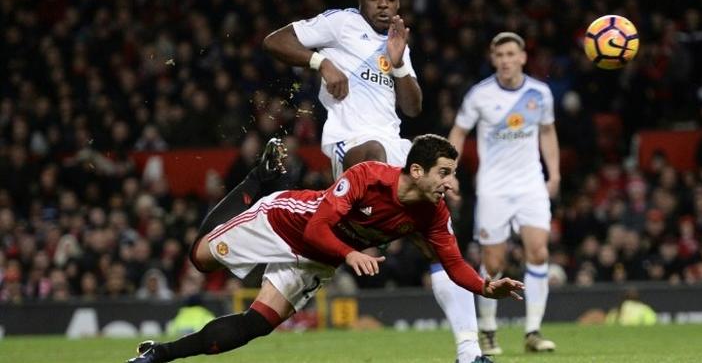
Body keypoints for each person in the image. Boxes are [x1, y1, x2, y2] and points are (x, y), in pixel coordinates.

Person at [126, 134, 524, 363]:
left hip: (319, 259)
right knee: (199, 259)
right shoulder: (367, 176)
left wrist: (485, 287)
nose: (450, 183)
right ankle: (255, 180)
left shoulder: (432, 213)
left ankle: (160, 355)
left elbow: (453, 264)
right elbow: (318, 228)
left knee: (257, 324)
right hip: (285, 222)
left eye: (452, 174)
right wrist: (350, 254)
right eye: (444, 173)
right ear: (416, 171)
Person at [263, 0, 486, 363]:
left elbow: (413, 106)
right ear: (360, 0)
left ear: (400, 1)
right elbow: (274, 40)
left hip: (394, 141)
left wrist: (399, 62)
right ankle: (373, 226)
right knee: (375, 158)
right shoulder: (340, 24)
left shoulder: (398, 41)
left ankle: (469, 352)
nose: (383, 4)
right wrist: (321, 63)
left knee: (439, 240)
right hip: (349, 143)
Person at [448, 32, 560, 354]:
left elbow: (548, 132)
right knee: (493, 262)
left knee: (538, 252)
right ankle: (487, 330)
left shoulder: (540, 93)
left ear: (523, 57)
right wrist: (449, 171)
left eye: (511, 54)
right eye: (500, 55)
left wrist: (554, 174)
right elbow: (458, 131)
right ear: (493, 59)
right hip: (493, 187)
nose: (506, 60)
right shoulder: (479, 95)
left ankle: (533, 332)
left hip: (530, 184)